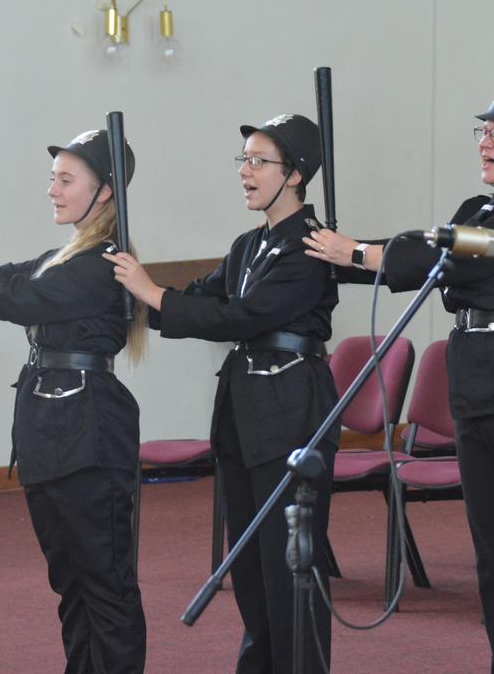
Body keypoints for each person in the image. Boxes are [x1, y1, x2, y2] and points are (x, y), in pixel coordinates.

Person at [306, 76, 494, 673]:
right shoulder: (475, 209)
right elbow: (429, 256)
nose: (486, 142)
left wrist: (356, 251)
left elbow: (445, 255)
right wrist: (345, 257)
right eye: (484, 130)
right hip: (479, 381)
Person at [104, 114, 339, 674]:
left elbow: (241, 316)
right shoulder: (248, 245)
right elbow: (199, 299)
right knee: (254, 568)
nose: (246, 172)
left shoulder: (313, 247)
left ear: (297, 175)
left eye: (260, 162)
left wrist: (152, 292)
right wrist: (133, 292)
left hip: (291, 411)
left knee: (289, 570)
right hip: (243, 415)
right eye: (244, 161)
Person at [0, 129, 148, 674]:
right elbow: (2, 280)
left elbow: (20, 299)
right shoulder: (64, 254)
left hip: (89, 436)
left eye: (66, 180)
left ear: (105, 193)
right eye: (53, 178)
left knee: (104, 583)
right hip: (50, 434)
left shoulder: (103, 262)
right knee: (70, 582)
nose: (53, 189)